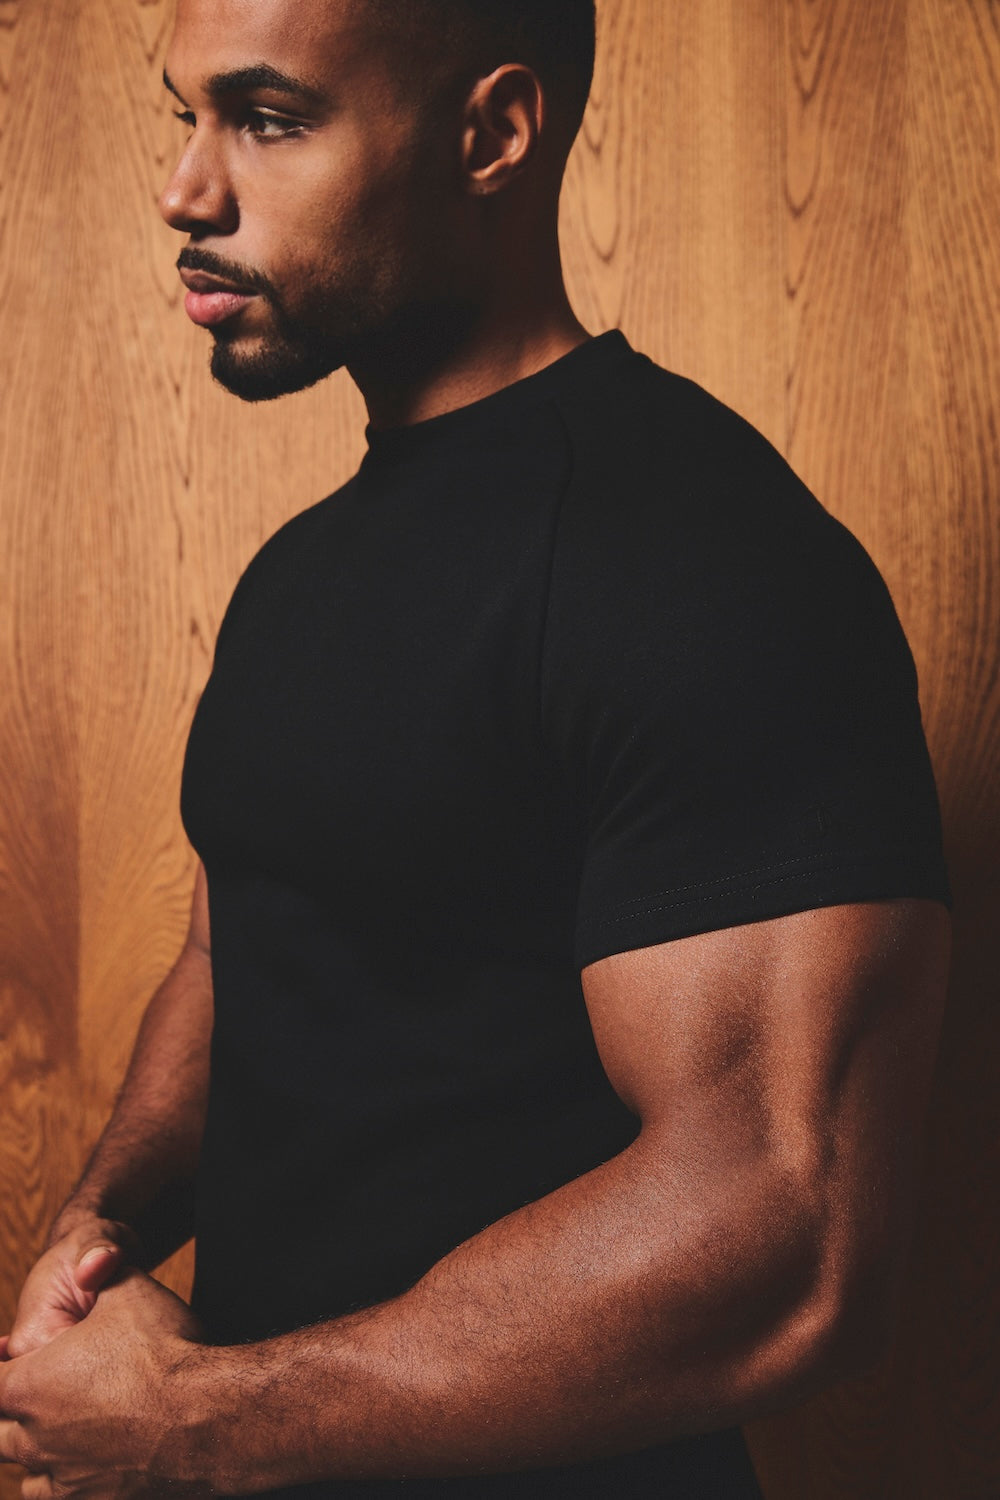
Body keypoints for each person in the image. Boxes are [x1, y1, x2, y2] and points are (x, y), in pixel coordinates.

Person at [0, 0, 952, 1496]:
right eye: (187, 119)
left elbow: (788, 1232)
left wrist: (197, 1420)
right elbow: (247, 949)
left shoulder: (708, 557)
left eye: (268, 119)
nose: (185, 191)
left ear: (494, 133)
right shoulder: (298, 576)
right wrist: (98, 1225)